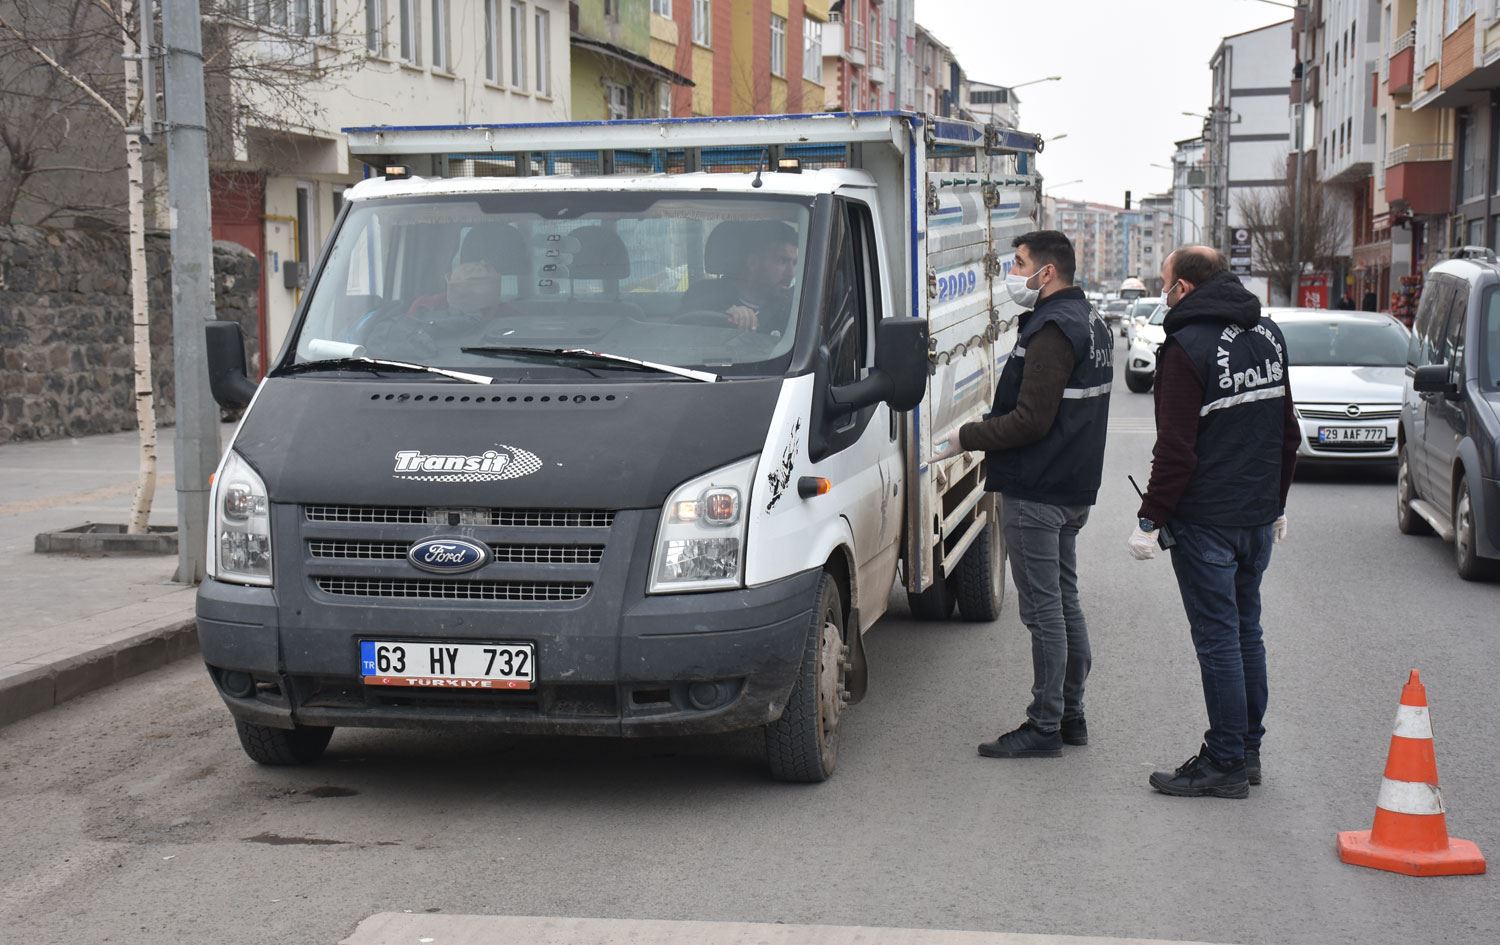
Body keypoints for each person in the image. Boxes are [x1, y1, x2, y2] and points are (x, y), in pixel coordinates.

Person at [931, 230, 1113, 759]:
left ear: (1046, 272)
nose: (1011, 273)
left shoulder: (1053, 329)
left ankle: (1045, 724)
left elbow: (1031, 420)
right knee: (1064, 601)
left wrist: (966, 437)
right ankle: (1071, 714)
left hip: (1038, 488)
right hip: (1070, 485)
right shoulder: (1091, 321)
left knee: (1043, 611)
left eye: (1018, 263)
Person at [1129, 245, 1299, 799]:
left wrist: (1150, 518)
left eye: (1165, 283)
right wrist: (1277, 503)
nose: (1163, 293)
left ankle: (1224, 760)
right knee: (1247, 632)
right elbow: (1287, 432)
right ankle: (1246, 751)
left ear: (1183, 288)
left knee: (1219, 640)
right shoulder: (1268, 335)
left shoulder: (1185, 348)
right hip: (1255, 518)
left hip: (1207, 522)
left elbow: (1175, 450)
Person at [682, 221, 799, 336]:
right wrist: (724, 318)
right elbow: (679, 336)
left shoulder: (796, 308)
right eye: (782, 261)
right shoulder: (703, 296)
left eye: (794, 263)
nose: (791, 273)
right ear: (752, 263)